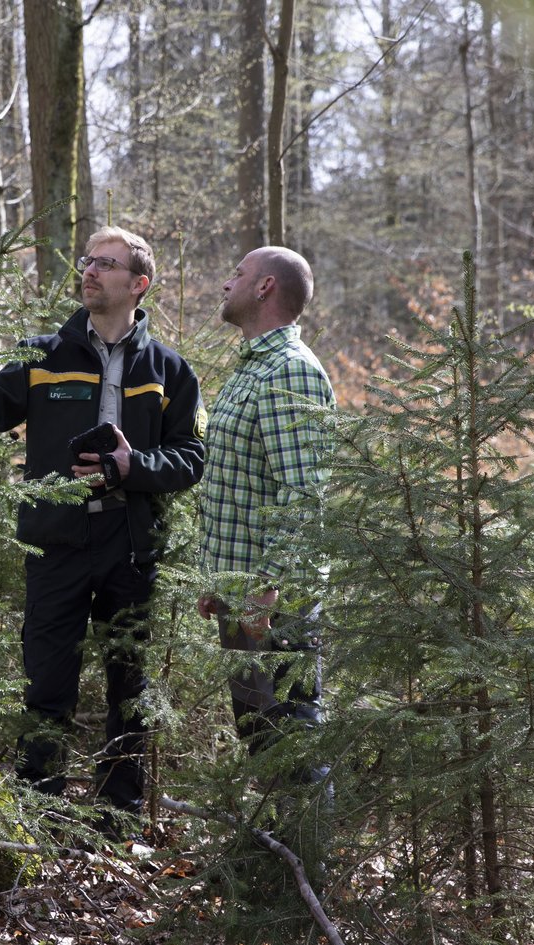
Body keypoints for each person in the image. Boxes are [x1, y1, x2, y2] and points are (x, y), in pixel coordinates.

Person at [0, 227, 205, 829]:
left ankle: (117, 817)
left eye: (106, 264)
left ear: (137, 285)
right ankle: (39, 813)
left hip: (131, 547)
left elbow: (191, 458)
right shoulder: (45, 355)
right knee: (47, 682)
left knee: (130, 689)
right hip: (57, 541)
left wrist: (131, 466)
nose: (89, 271)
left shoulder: (169, 370)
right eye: (87, 261)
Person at [195, 246, 335, 767]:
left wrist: (265, 589)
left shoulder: (290, 372)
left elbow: (301, 496)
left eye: (238, 274)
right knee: (260, 733)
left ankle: (310, 848)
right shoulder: (254, 368)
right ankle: (276, 848)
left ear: (265, 287)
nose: (226, 284)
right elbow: (238, 481)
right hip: (244, 592)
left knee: (293, 735)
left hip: (275, 600)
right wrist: (220, 581)